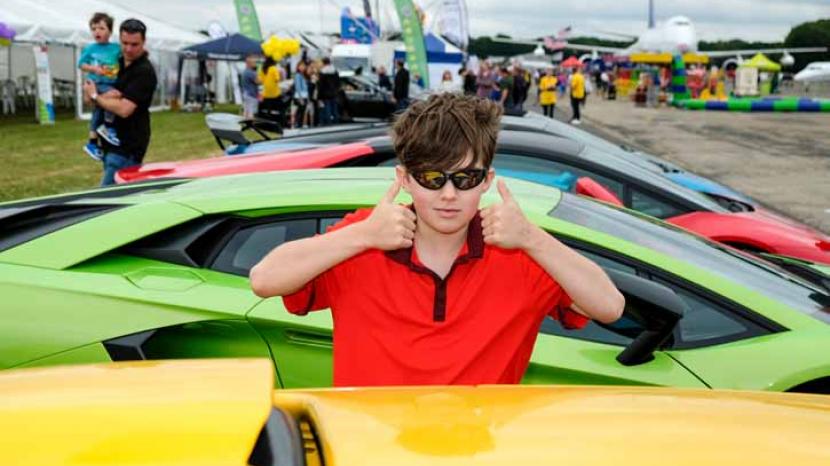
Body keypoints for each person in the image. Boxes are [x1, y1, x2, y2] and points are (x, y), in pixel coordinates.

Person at [249, 93, 624, 387]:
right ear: (405, 179)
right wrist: (362, 235)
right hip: (372, 448)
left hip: (476, 452)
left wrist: (532, 238)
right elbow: (264, 280)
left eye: (465, 179)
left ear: (487, 181)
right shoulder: (365, 237)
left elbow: (609, 307)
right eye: (432, 178)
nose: (448, 195)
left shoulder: (517, 250)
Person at [82, 18, 158, 186]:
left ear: (144, 42)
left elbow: (124, 109)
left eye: (134, 44)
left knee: (107, 199)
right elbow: (92, 96)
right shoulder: (117, 62)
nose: (128, 49)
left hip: (127, 146)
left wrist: (96, 97)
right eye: (125, 43)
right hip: (109, 142)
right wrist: (92, 92)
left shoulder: (144, 71)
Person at [78, 12, 122, 161]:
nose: (97, 31)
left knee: (98, 109)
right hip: (97, 83)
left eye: (101, 28)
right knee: (113, 97)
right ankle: (108, 127)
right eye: (94, 28)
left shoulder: (116, 48)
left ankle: (92, 142)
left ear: (110, 31)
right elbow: (81, 64)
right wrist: (93, 69)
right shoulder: (91, 48)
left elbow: (125, 59)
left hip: (111, 81)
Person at [318, 57, 340, 125]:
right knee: (334, 109)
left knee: (327, 109)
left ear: (323, 63)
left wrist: (319, 96)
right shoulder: (335, 71)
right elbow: (338, 83)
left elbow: (321, 85)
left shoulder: (322, 72)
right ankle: (336, 122)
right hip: (334, 93)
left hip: (325, 94)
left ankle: (329, 123)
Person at [258, 56, 281, 121]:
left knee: (267, 108)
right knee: (275, 109)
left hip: (266, 92)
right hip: (274, 92)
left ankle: (266, 120)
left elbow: (261, 80)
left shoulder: (263, 69)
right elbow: (277, 79)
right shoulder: (274, 68)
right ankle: (274, 120)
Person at [240, 54, 259, 120]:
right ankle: (251, 126)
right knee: (251, 111)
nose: (255, 64)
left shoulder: (245, 72)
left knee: (246, 109)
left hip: (246, 93)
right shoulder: (251, 72)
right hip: (251, 94)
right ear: (249, 63)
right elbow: (258, 81)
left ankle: (244, 122)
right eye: (254, 63)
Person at [293, 61, 309, 128]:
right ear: (298, 67)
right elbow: (298, 87)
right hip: (300, 96)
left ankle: (300, 124)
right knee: (300, 111)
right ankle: (297, 125)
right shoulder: (298, 75)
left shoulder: (304, 75)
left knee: (302, 111)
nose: (302, 67)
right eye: (300, 66)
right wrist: (300, 98)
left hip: (305, 95)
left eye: (303, 66)